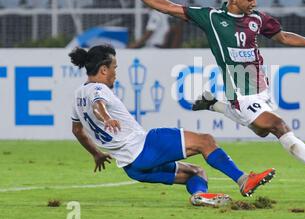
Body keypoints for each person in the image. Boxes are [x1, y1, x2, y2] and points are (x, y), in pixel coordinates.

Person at [113, 0, 305, 190]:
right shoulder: (212, 18)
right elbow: (167, 7)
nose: (254, 3)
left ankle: (214, 104)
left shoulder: (258, 19)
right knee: (278, 126)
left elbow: (283, 37)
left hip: (260, 88)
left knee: (262, 131)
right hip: (240, 93)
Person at [69, 44, 275, 207]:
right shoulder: (99, 89)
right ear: (103, 69)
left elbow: (77, 130)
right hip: (145, 147)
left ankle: (200, 196)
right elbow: (98, 105)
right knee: (206, 141)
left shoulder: (78, 95)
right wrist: (106, 118)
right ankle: (242, 180)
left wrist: (96, 154)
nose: (116, 73)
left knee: (196, 173)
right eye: (114, 68)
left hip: (132, 168)